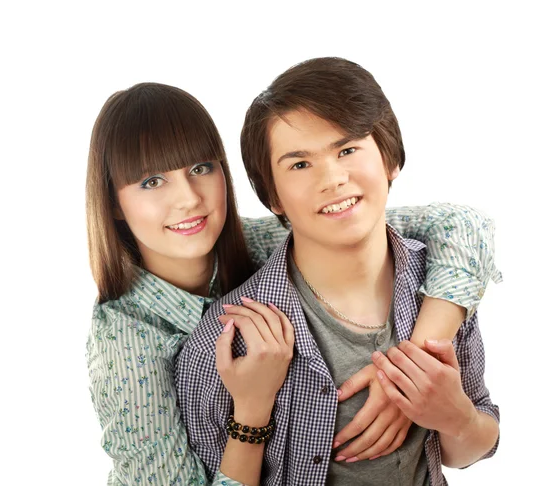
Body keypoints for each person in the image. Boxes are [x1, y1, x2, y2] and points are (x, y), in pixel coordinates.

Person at [86, 82, 499, 485]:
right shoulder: (126, 344)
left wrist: (409, 369)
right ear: (114, 202)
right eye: (151, 181)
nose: (189, 199)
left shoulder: (273, 237)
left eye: (201, 168)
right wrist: (251, 409)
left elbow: (460, 226)